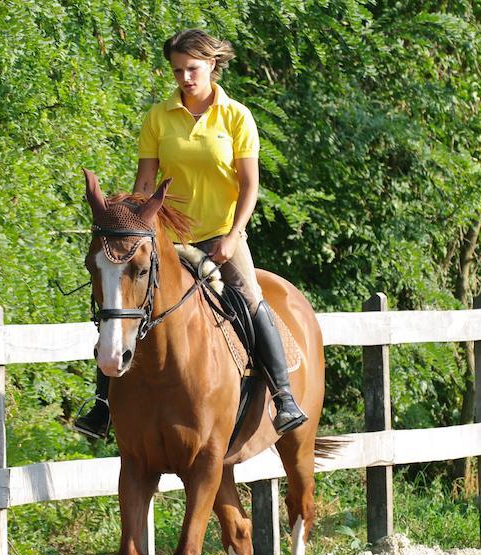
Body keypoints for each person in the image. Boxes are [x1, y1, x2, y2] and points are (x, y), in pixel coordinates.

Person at [74, 28, 307, 438]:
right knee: (122, 302)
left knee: (252, 300)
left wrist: (235, 235)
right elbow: (145, 185)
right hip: (166, 241)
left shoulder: (236, 117)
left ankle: (284, 397)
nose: (185, 78)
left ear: (213, 65)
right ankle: (103, 405)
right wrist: (133, 231)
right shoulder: (158, 118)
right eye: (178, 70)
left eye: (192, 69)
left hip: (221, 235)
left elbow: (249, 184)